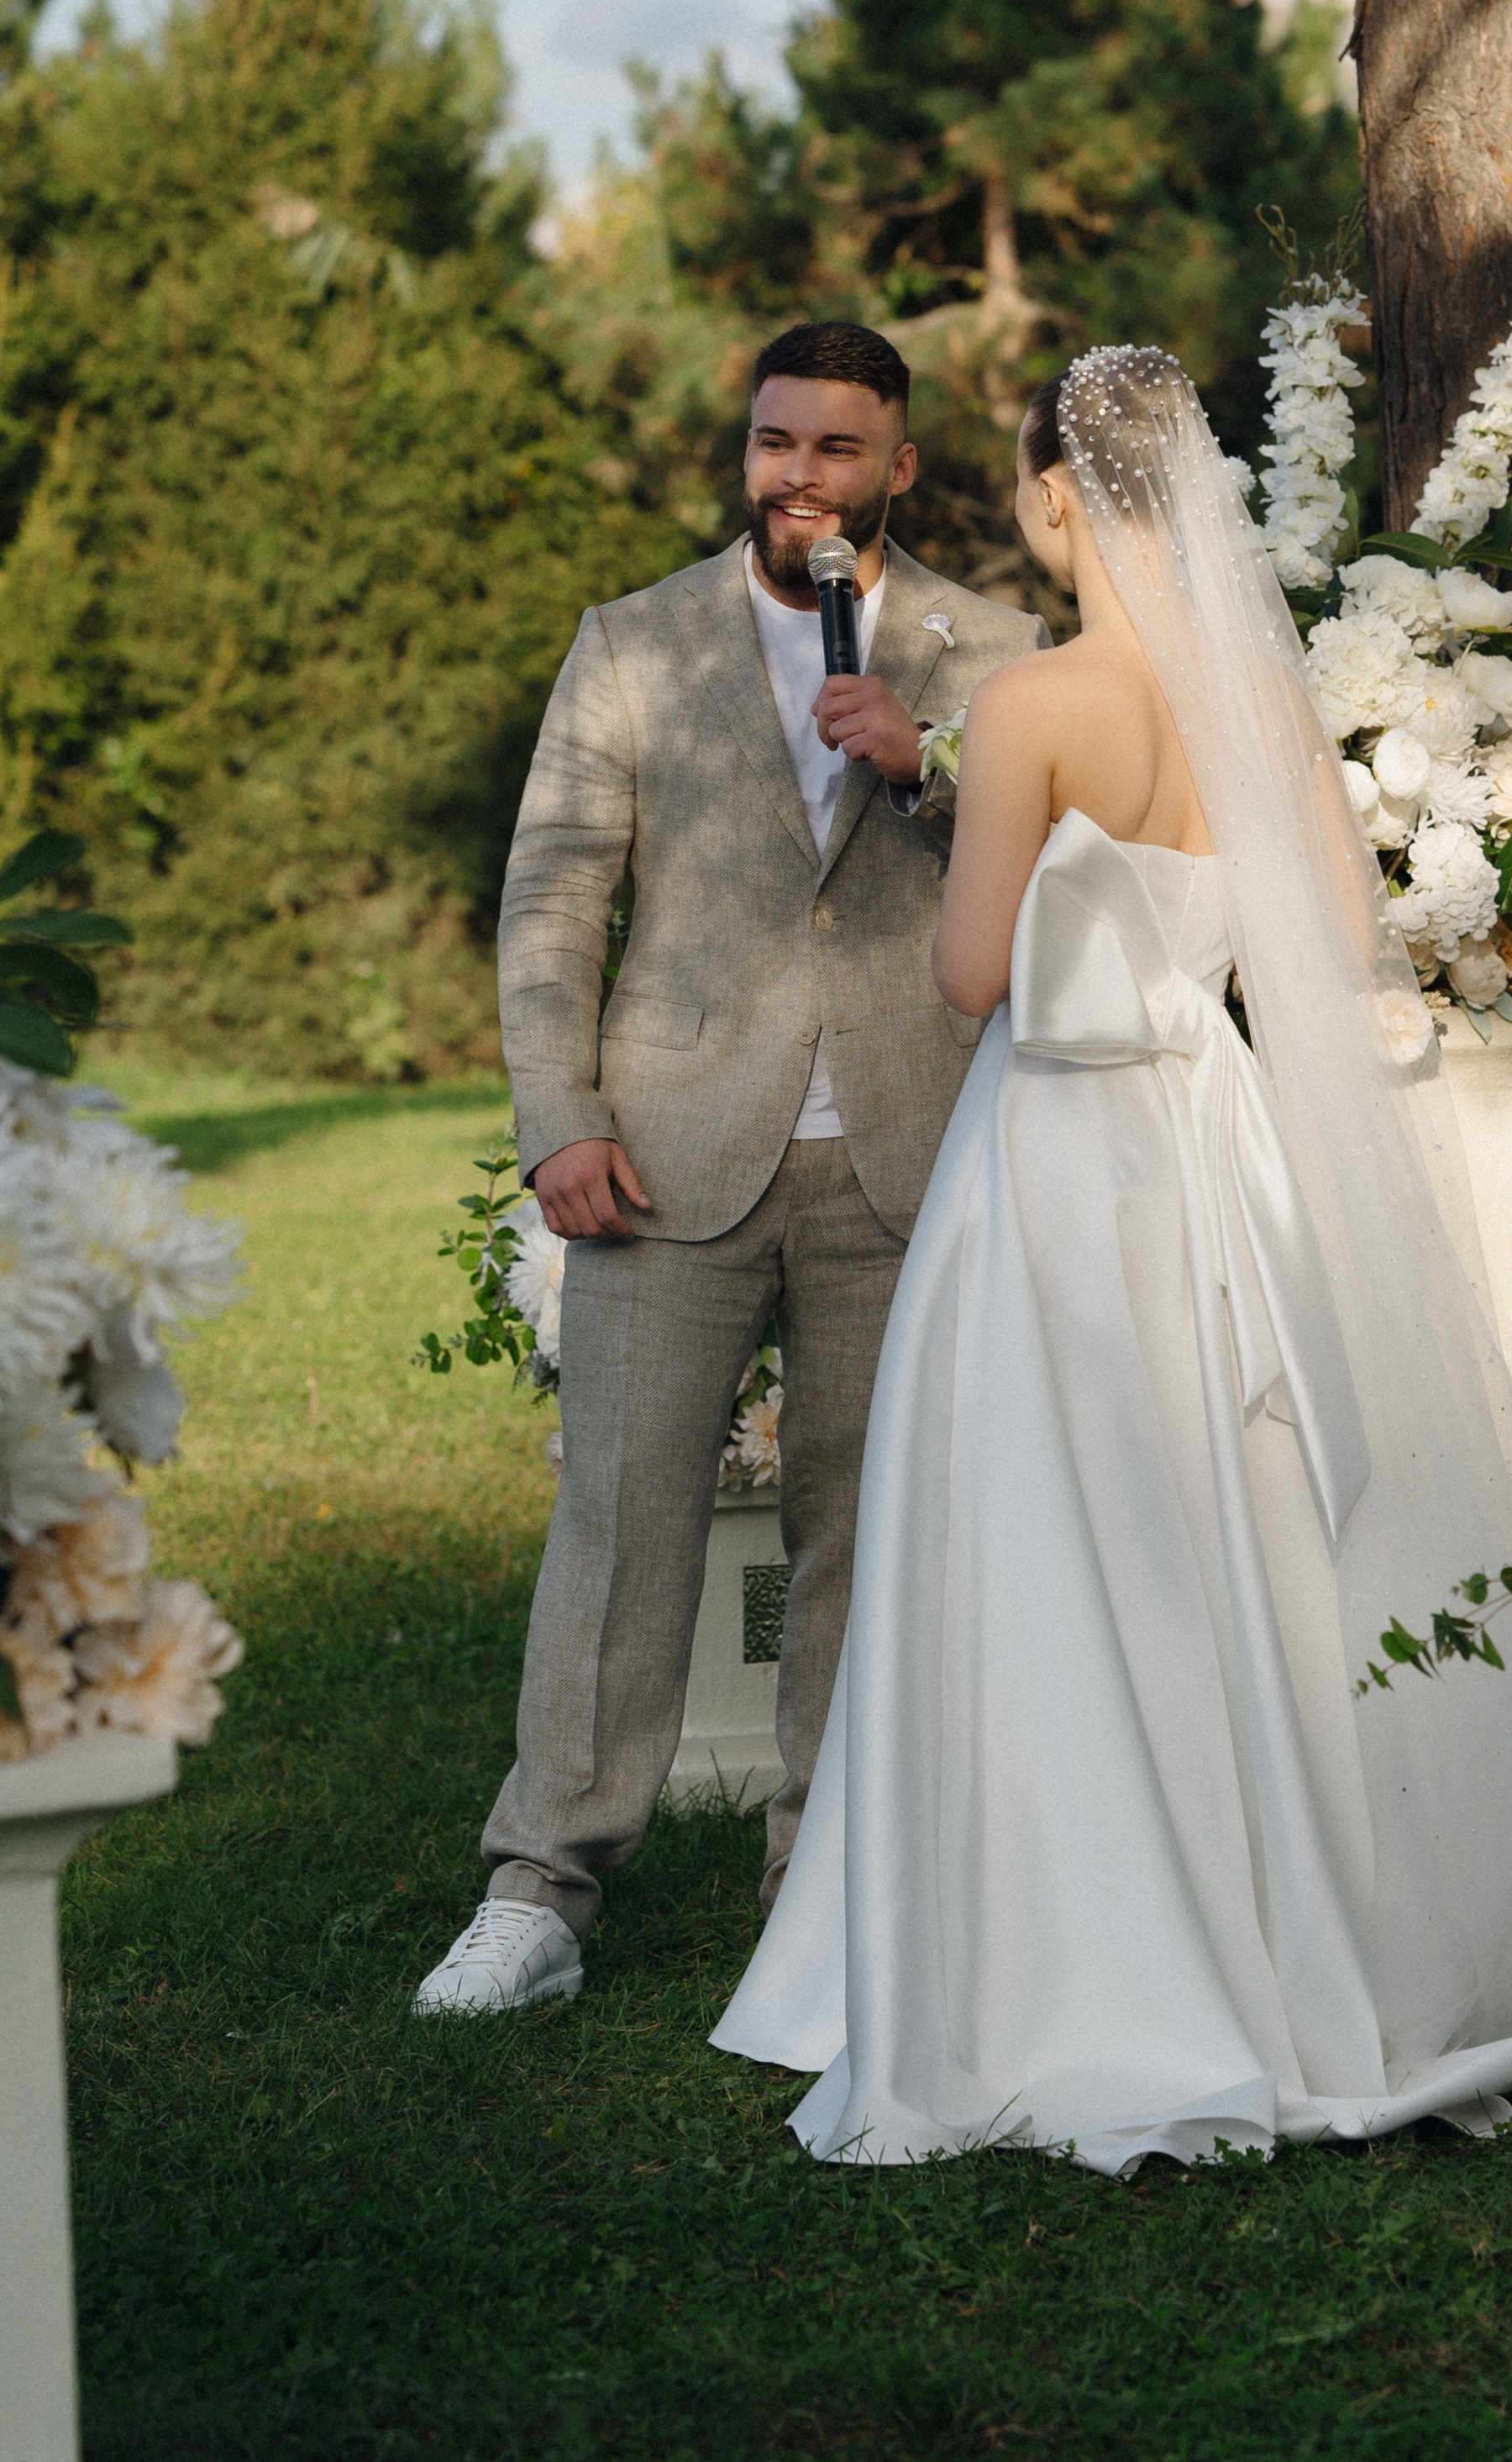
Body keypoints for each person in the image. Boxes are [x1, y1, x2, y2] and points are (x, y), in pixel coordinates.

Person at [713, 344, 1512, 2169]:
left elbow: (969, 973)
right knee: (1248, 1526)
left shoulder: (1026, 703)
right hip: (1213, 1142)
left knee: (1040, 1523)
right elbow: (1331, 936)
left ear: (1052, 499)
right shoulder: (1262, 697)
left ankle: (1070, 1949)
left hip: (1066, 1150)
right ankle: (1305, 1935)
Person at [415, 322, 1048, 2016]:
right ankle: (542, 1883)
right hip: (671, 1151)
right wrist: (559, 1115)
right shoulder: (630, 643)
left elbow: (1062, 870)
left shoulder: (995, 650)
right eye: (777, 440)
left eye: (839, 447)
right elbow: (552, 896)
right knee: (619, 1520)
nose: (801, 474)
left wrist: (927, 759)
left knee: (863, 1537)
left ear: (899, 467)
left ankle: (821, 1887)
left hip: (911, 1155)